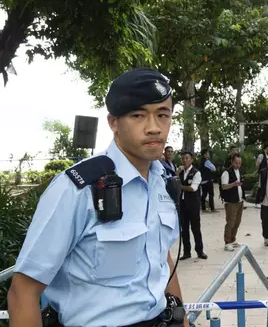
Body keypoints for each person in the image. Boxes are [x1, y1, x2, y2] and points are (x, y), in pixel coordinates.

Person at [8, 68, 189, 326]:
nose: (154, 128)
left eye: (163, 115)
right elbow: (23, 292)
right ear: (113, 123)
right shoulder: (77, 190)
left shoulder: (163, 181)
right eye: (138, 115)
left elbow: (161, 258)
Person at [178, 151, 207, 260]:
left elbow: (193, 188)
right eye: (183, 158)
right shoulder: (180, 172)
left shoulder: (196, 173)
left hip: (193, 204)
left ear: (191, 160)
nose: (184, 160)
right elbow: (172, 182)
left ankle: (200, 251)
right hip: (182, 204)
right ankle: (186, 252)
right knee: (184, 229)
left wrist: (179, 186)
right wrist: (177, 173)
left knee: (196, 228)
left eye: (187, 158)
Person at [221, 153, 245, 252]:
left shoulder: (239, 171)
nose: (238, 165)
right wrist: (234, 184)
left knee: (237, 222)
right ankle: (227, 242)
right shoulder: (226, 172)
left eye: (239, 163)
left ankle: (233, 239)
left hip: (240, 200)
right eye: (236, 163)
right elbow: (224, 186)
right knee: (230, 222)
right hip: (231, 201)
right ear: (231, 161)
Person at [199, 148, 217, 213]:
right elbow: (214, 168)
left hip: (203, 180)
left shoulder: (201, 161)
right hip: (208, 180)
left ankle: (203, 208)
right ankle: (212, 208)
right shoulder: (207, 161)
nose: (208, 154)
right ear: (205, 154)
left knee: (204, 194)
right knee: (211, 194)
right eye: (207, 153)